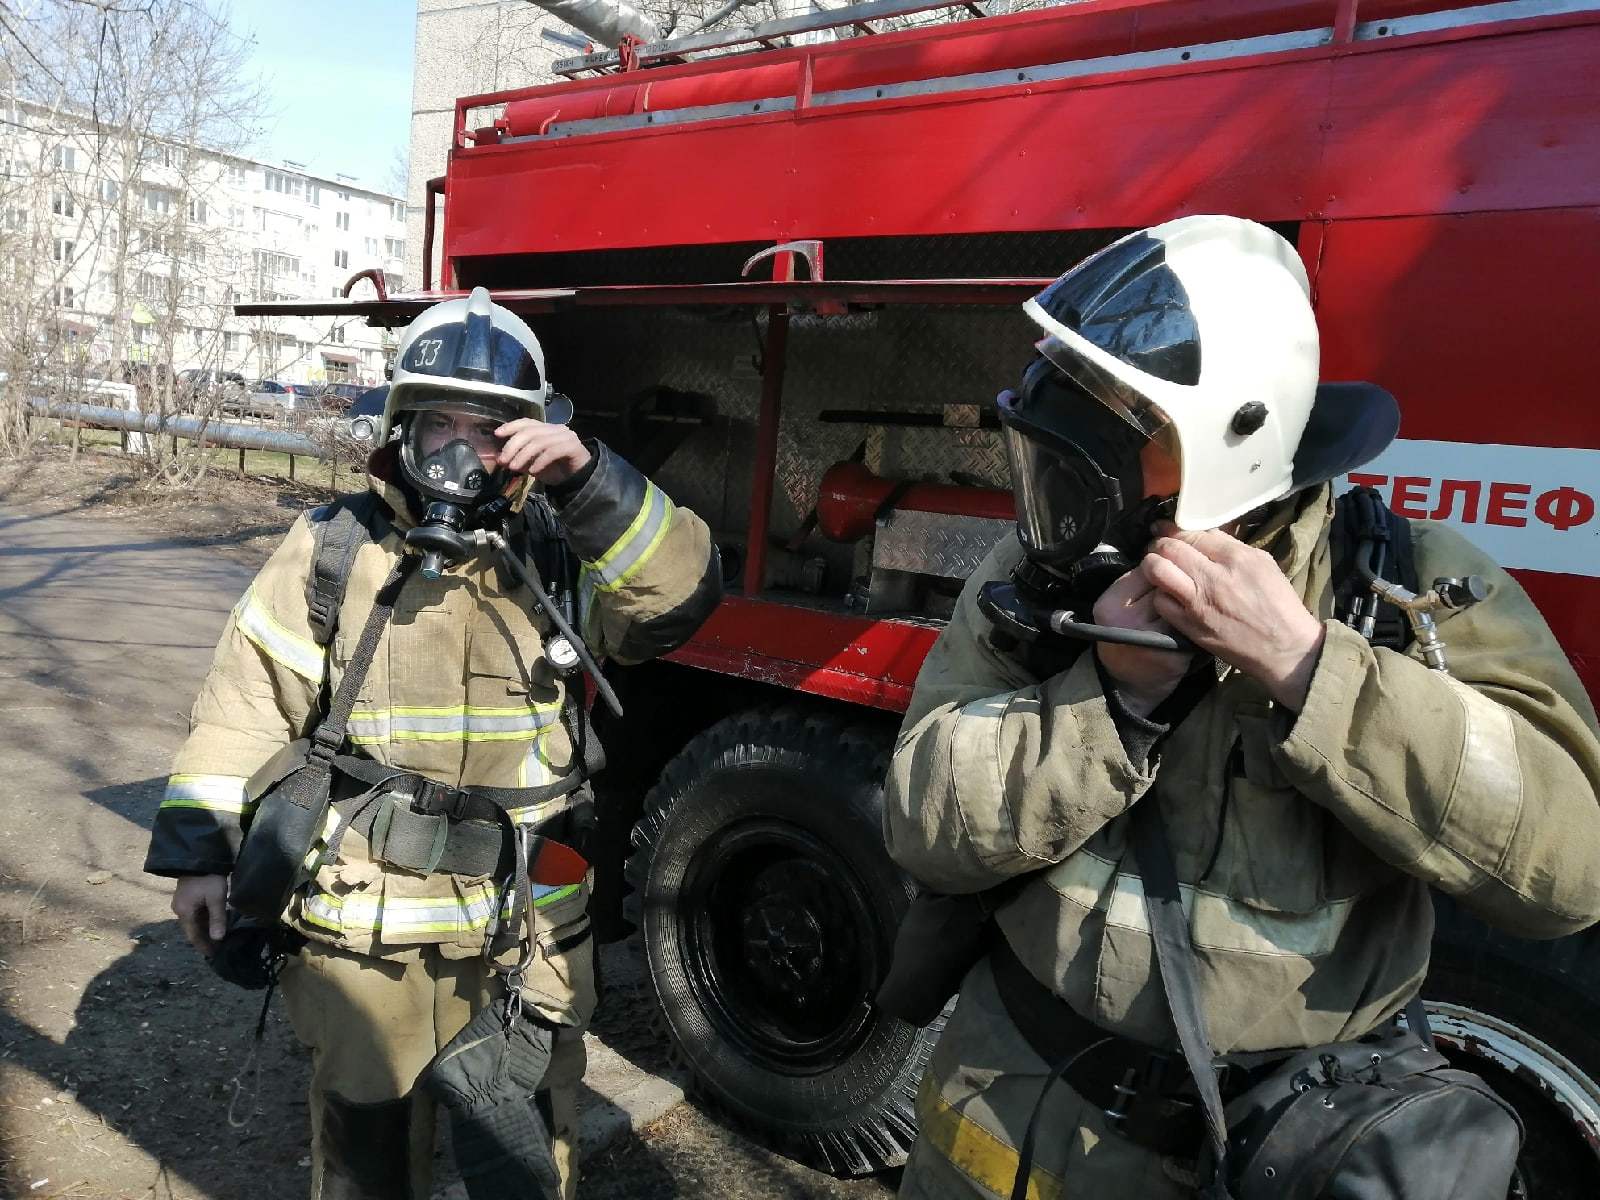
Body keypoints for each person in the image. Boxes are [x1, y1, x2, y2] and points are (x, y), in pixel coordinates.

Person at [883, 216, 1600, 1198]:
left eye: (1127, 422)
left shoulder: (1406, 587)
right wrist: (1110, 703)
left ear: (1231, 439)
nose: (1077, 463)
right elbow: (922, 827)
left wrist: (1309, 668)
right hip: (1001, 1110)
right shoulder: (1044, 575)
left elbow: (1570, 870)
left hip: (1264, 1154)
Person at [143, 288, 721, 1200]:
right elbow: (246, 705)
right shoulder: (335, 547)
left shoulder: (565, 552)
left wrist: (589, 482)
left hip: (521, 930)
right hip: (364, 930)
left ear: (525, 440)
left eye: (486, 432)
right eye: (438, 425)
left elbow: (679, 597)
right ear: (399, 429)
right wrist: (201, 856)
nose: (458, 452)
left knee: (522, 1157)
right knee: (366, 1157)